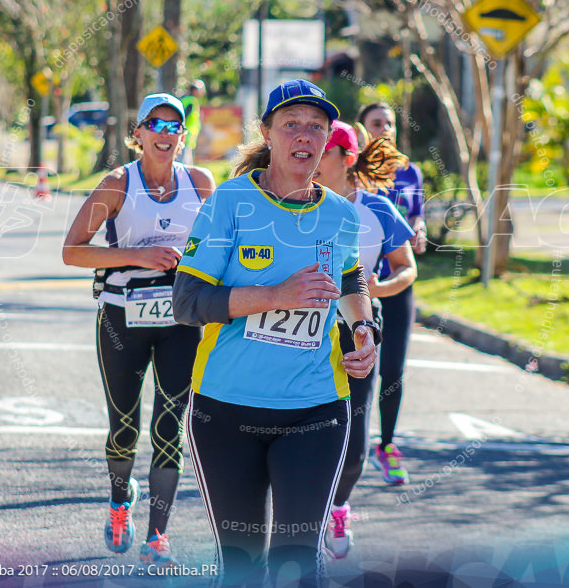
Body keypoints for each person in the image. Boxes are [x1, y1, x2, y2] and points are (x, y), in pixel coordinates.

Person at [173, 79, 378, 586]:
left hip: (315, 409)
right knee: (241, 567)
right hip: (227, 411)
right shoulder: (230, 203)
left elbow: (349, 276)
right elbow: (186, 303)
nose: (304, 136)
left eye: (316, 127)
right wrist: (275, 296)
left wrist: (363, 325)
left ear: (328, 139)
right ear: (267, 133)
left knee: (297, 564)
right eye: (291, 125)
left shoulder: (341, 214)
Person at [62, 93, 216, 567]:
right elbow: (73, 250)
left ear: (183, 138)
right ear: (139, 134)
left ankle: (157, 536)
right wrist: (138, 256)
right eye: (157, 126)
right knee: (124, 426)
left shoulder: (202, 183)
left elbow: (219, 246)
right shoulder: (117, 184)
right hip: (121, 320)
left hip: (182, 320)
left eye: (175, 127)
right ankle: (118, 502)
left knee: (170, 427)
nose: (166, 135)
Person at [311, 121, 417, 560]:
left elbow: (407, 268)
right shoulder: (296, 202)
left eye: (325, 149)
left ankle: (338, 506)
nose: (313, 157)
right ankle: (302, 514)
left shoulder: (377, 210)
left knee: (353, 449)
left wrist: (378, 290)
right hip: (302, 334)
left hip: (357, 329)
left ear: (347, 158)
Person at [356, 102, 426, 486]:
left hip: (396, 284)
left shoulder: (410, 171)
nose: (383, 129)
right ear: (363, 130)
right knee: (354, 368)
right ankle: (351, 444)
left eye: (389, 124)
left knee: (393, 369)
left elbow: (415, 215)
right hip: (356, 288)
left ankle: (386, 445)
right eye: (376, 123)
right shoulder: (353, 172)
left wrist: (420, 228)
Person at [178, 79, 206, 165]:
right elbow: (183, 117)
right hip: (186, 136)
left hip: (184, 137)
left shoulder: (184, 99)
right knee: (184, 164)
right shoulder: (192, 101)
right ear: (194, 90)